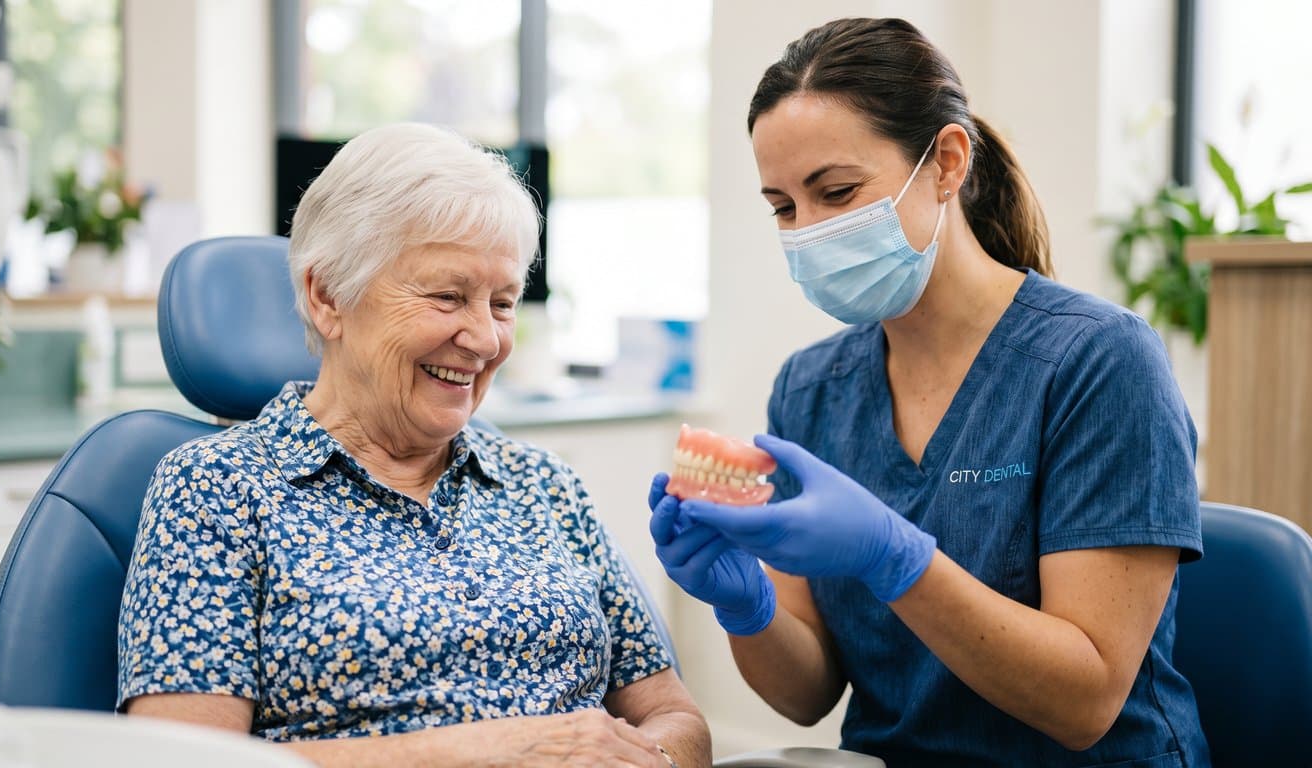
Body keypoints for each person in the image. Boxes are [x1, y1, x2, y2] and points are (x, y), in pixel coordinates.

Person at [649, 17, 1209, 767]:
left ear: (946, 162)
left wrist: (895, 556)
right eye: (783, 208)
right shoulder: (812, 389)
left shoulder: (1098, 362)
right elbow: (809, 691)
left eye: (837, 191)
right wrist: (743, 604)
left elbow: (1086, 703)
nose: (808, 232)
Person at [118, 123, 708, 768]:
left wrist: (650, 760)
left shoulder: (542, 483)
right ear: (327, 296)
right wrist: (497, 750)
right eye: (447, 296)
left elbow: (675, 718)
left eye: (503, 303)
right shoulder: (217, 488)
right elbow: (181, 759)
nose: (485, 339)